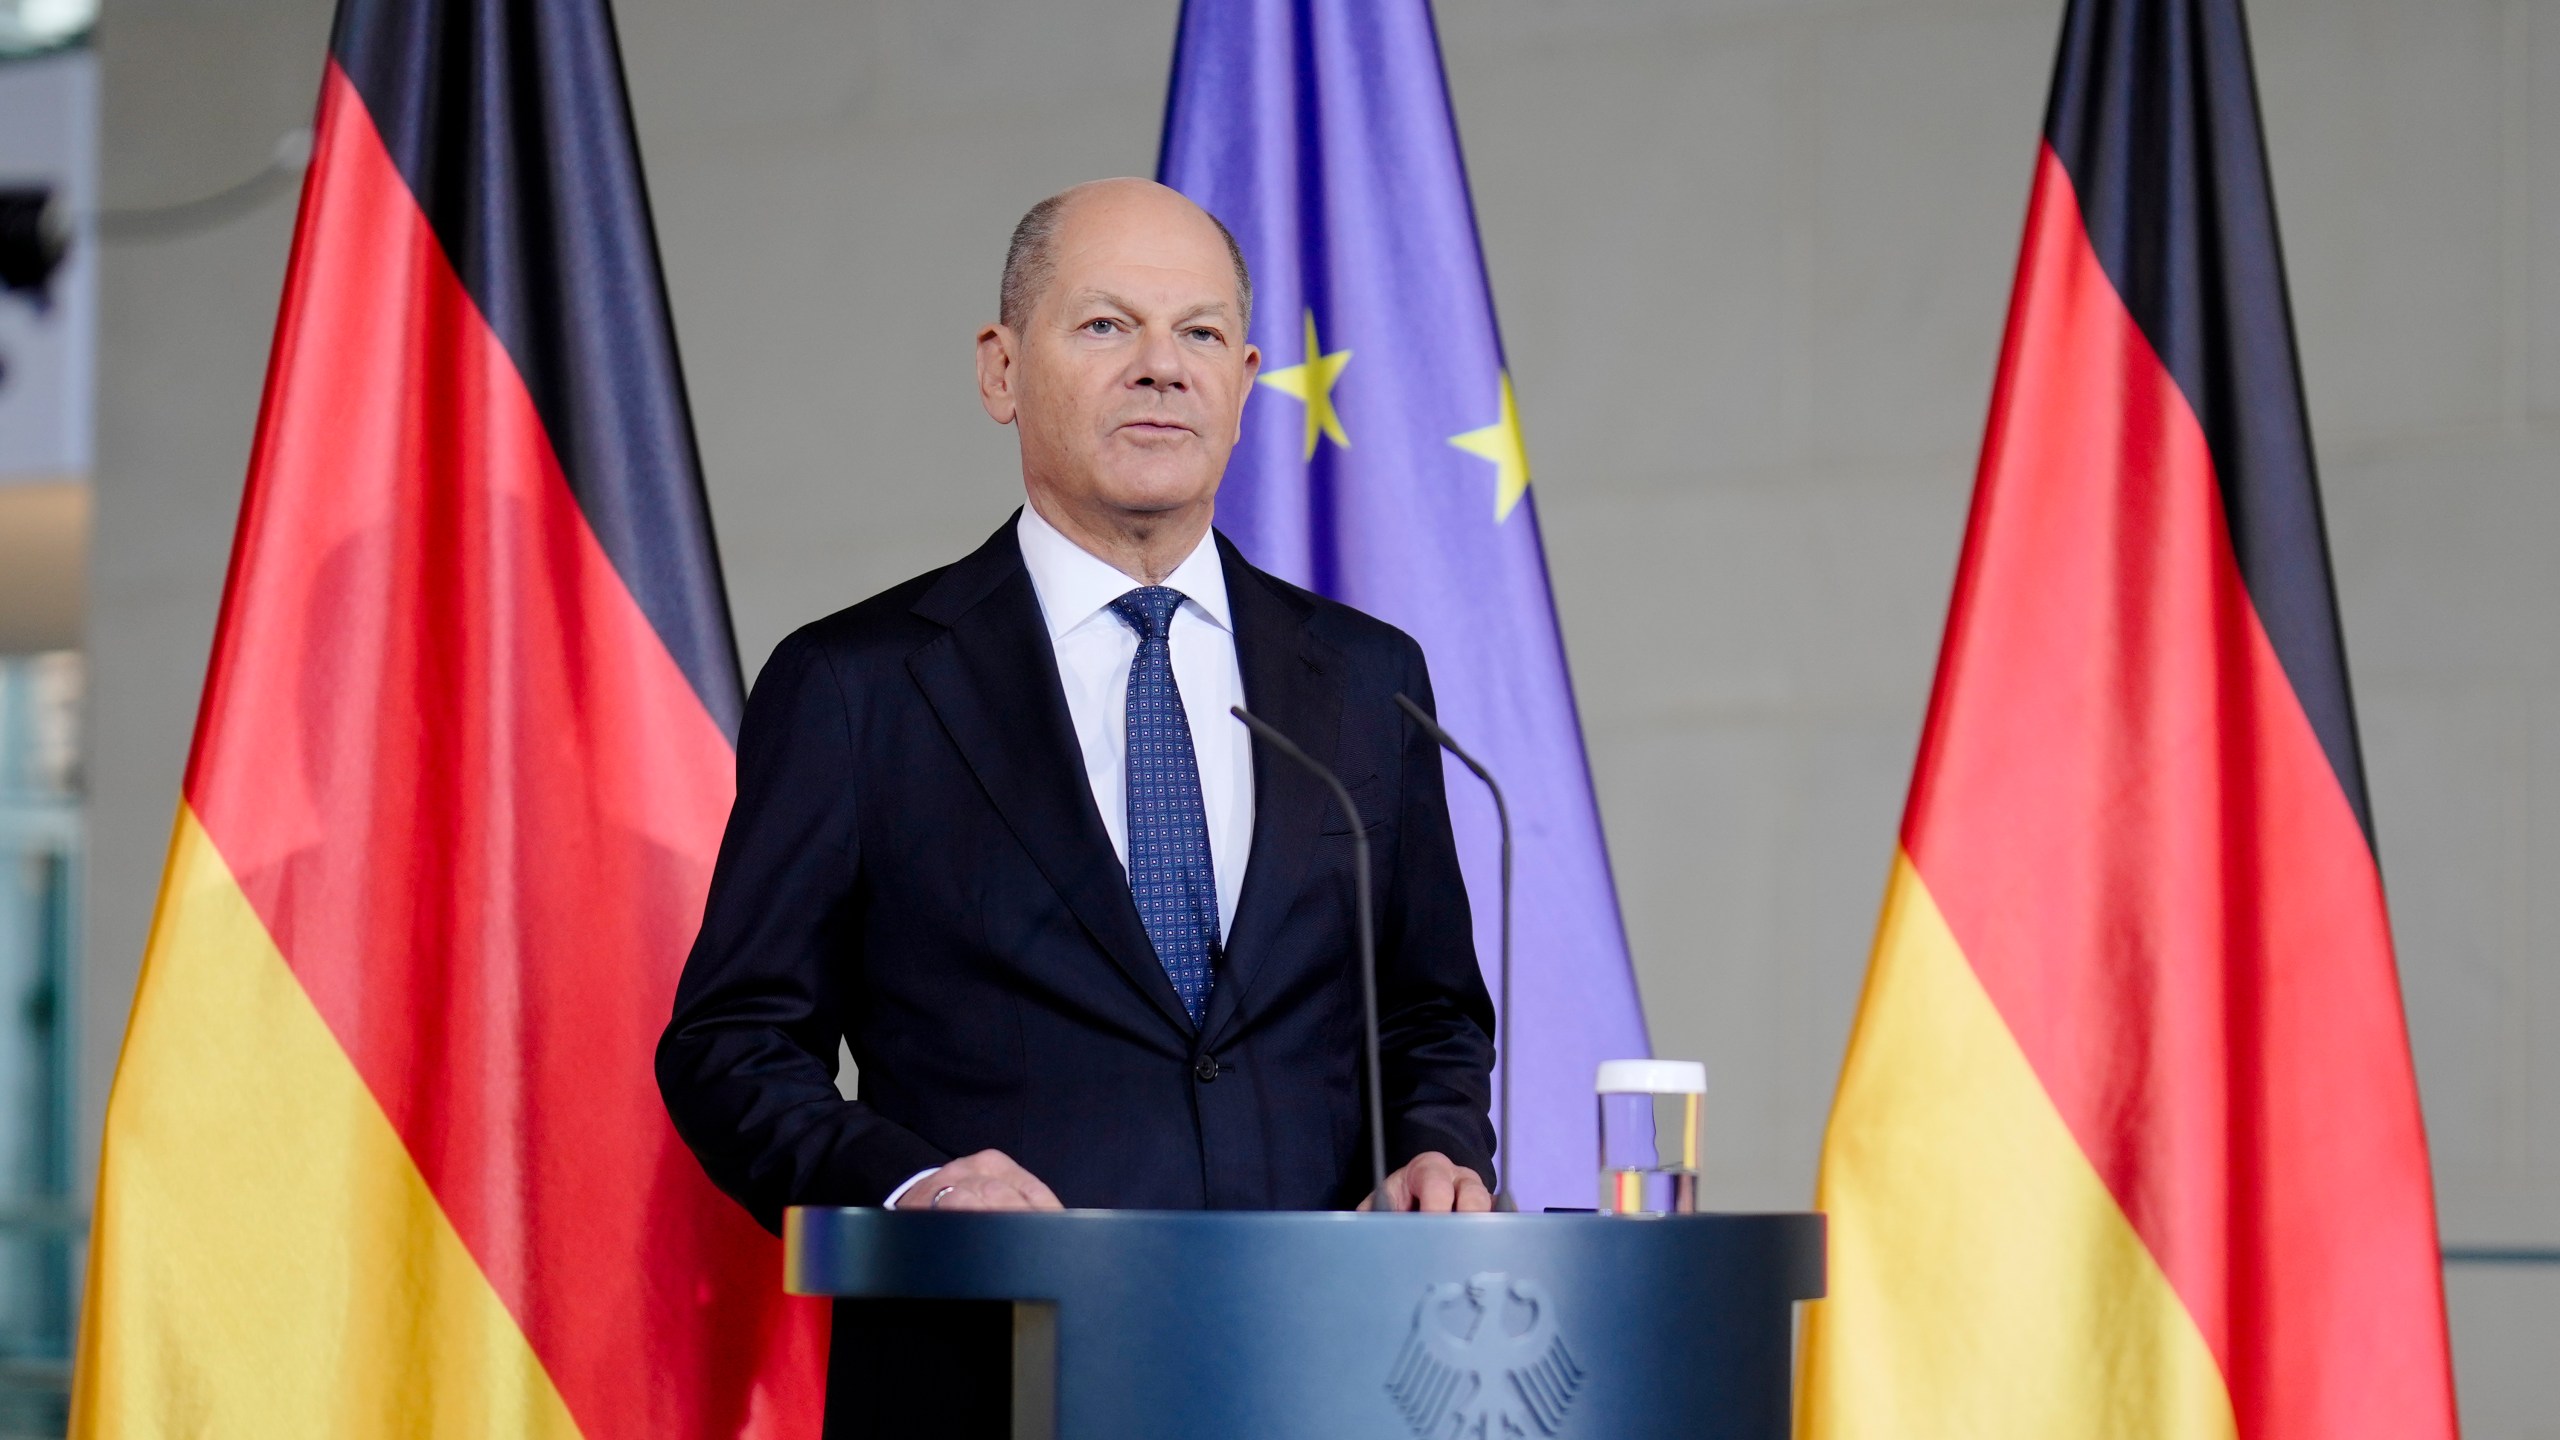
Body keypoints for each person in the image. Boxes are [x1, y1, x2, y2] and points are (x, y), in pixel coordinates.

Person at [656, 177, 1498, 1425]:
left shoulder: (1366, 682)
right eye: (1107, 326)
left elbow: (1427, 1015)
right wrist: (913, 1183)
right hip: (987, 1378)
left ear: (1248, 377)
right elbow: (730, 1049)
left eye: (1200, 333)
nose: (1162, 368)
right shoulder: (860, 685)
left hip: (1316, 1373)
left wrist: (1440, 1149)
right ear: (1001, 370)